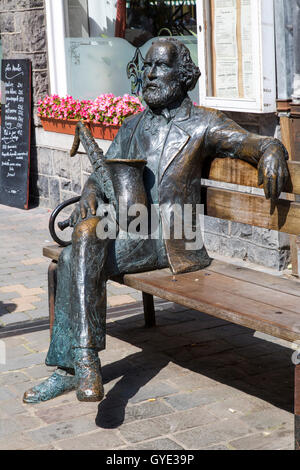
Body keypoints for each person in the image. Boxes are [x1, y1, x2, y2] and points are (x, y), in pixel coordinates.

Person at [23, 38, 289, 404]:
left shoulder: (203, 124)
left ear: (182, 76)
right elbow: (102, 176)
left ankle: (74, 366)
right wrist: (88, 193)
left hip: (173, 237)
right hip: (132, 227)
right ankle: (81, 361)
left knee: (75, 254)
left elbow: (251, 143)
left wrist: (273, 150)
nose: (149, 74)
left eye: (160, 67)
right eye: (147, 67)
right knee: (79, 245)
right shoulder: (132, 126)